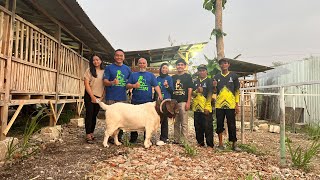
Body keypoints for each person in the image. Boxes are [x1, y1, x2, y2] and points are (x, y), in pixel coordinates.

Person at [126, 57, 163, 143]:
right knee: (133, 119)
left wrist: (160, 95)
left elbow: (156, 86)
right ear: (138, 64)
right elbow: (127, 85)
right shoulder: (133, 75)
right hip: (135, 100)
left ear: (146, 65)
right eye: (140, 63)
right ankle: (133, 138)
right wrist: (133, 86)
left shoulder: (151, 75)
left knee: (148, 120)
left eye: (143, 63)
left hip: (147, 102)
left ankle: (146, 139)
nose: (142, 65)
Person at [103, 49, 132, 141]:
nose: (119, 57)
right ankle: (110, 137)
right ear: (114, 57)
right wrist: (112, 82)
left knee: (122, 118)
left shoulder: (127, 69)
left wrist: (131, 86)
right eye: (117, 55)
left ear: (124, 57)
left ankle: (119, 137)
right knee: (112, 118)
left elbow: (130, 82)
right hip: (111, 97)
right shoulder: (109, 68)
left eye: (121, 55)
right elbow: (105, 81)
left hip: (122, 97)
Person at [213, 58, 241, 151]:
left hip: (231, 105)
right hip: (219, 105)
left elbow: (237, 91)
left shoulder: (234, 76)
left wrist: (237, 105)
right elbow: (214, 92)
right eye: (221, 64)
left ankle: (234, 144)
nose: (223, 65)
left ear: (228, 65)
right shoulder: (216, 77)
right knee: (219, 124)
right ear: (219, 66)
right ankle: (220, 144)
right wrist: (214, 86)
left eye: (225, 63)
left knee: (232, 124)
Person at [84, 54, 105, 143]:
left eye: (97, 60)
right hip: (89, 95)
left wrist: (102, 97)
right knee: (89, 114)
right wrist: (92, 96)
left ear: (101, 61)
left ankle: (92, 132)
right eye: (94, 60)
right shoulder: (89, 71)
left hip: (99, 96)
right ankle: (88, 134)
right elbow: (86, 84)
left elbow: (105, 85)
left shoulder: (105, 71)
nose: (96, 62)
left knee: (94, 115)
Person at [192, 64, 214, 148]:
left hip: (206, 107)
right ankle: (200, 143)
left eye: (203, 70)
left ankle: (210, 144)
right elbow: (192, 95)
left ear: (206, 71)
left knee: (208, 126)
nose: (201, 72)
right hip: (196, 107)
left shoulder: (209, 81)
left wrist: (207, 107)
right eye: (200, 70)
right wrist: (196, 91)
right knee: (197, 126)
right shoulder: (195, 81)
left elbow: (210, 94)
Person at [172, 59, 193, 144]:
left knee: (184, 123)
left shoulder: (188, 76)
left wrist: (188, 102)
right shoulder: (173, 77)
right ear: (176, 66)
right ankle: (176, 139)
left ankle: (184, 141)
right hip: (174, 102)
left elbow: (190, 89)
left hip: (183, 102)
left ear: (184, 66)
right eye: (178, 65)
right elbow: (171, 89)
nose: (180, 66)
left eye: (181, 65)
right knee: (176, 122)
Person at [155, 63, 174, 146]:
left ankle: (164, 137)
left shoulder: (169, 78)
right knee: (156, 119)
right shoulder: (157, 78)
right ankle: (155, 137)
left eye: (166, 68)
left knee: (164, 120)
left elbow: (172, 91)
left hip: (166, 102)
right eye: (163, 68)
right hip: (158, 101)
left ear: (168, 70)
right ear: (161, 69)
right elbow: (156, 89)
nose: (164, 69)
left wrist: (167, 86)